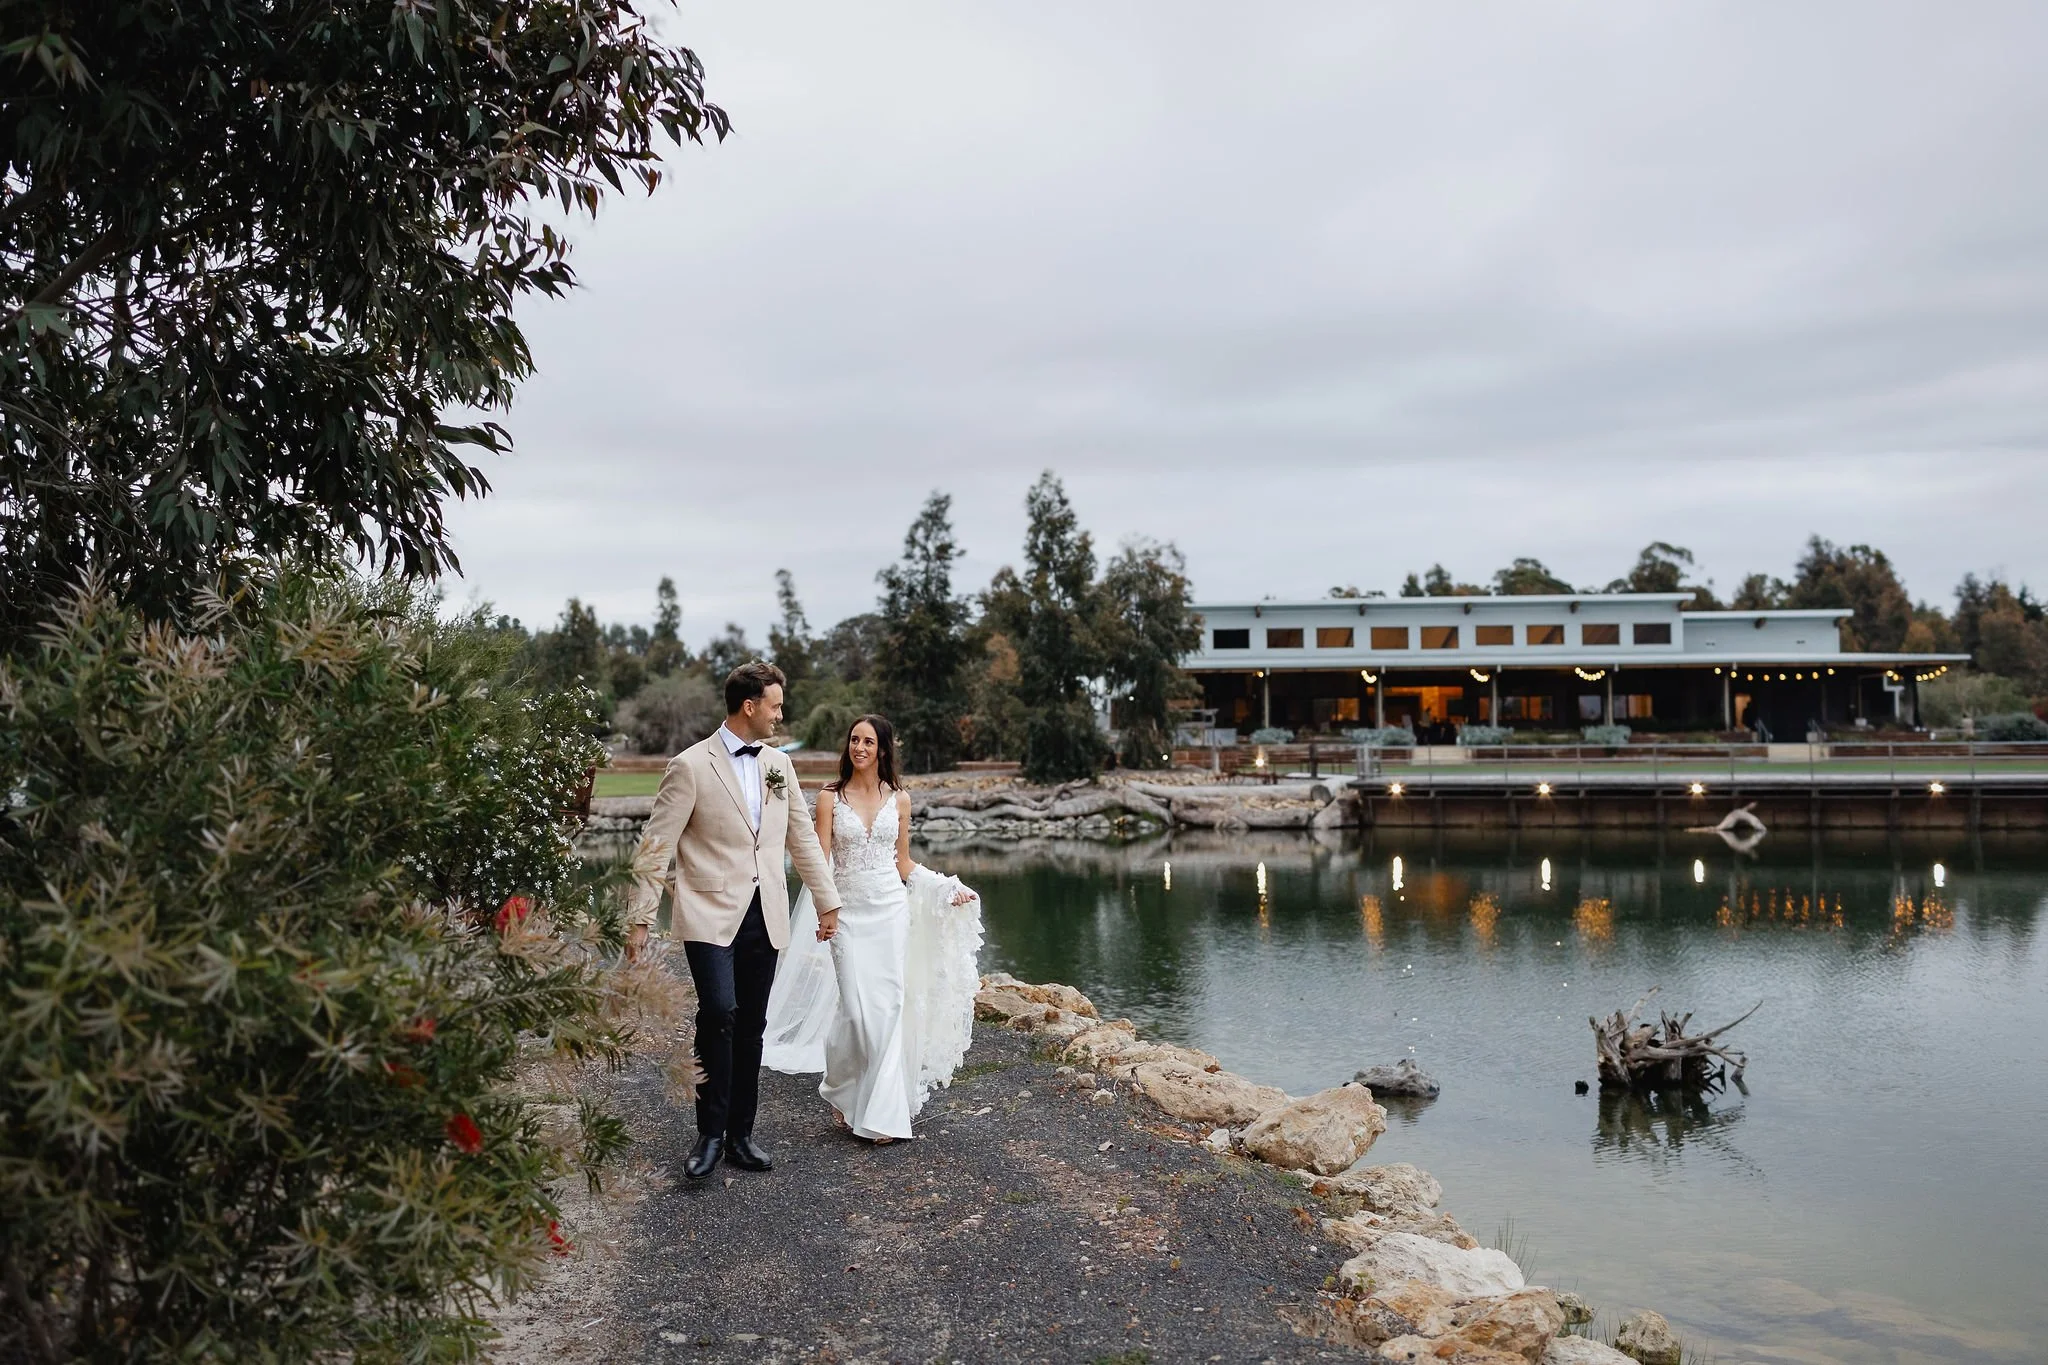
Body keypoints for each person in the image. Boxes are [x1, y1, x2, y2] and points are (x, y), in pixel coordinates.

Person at [626, 660, 842, 1182]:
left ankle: (741, 1135)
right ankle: (709, 1134)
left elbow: (801, 838)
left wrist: (827, 900)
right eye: (775, 705)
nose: (780, 714)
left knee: (751, 1026)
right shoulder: (690, 766)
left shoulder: (779, 766)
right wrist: (638, 920)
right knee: (719, 1012)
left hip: (763, 913)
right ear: (750, 706)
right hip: (707, 912)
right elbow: (656, 846)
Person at [762, 714, 983, 1144]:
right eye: (854, 740)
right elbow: (819, 861)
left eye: (868, 742)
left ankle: (882, 1114)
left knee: (888, 1009)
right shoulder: (829, 797)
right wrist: (825, 910)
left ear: (882, 749)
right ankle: (843, 1087)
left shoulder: (900, 799)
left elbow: (902, 863)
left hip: (889, 913)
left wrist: (944, 888)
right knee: (856, 1010)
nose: (859, 748)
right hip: (847, 914)